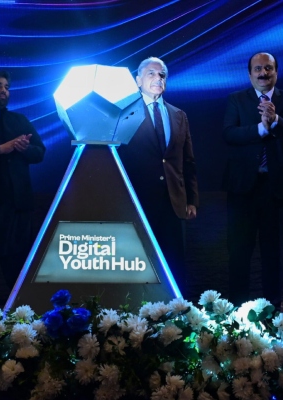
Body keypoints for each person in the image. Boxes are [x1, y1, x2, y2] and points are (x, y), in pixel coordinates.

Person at [222, 52, 283, 309]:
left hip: (276, 189)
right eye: (257, 69)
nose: (263, 73)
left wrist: (276, 120)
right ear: (249, 74)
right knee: (239, 252)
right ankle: (236, 311)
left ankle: (271, 311)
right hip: (243, 189)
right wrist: (261, 128)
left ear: (276, 72)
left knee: (273, 253)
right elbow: (229, 134)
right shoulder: (236, 99)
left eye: (268, 68)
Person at [118, 56, 199, 295]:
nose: (158, 78)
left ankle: (177, 308)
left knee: (174, 262)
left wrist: (192, 199)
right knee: (139, 260)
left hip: (173, 201)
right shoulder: (125, 114)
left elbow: (187, 161)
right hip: (138, 200)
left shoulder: (178, 115)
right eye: (151, 74)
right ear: (138, 80)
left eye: (162, 74)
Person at [0, 71, 46, 292]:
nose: (3, 91)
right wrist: (2, 149)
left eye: (6, 87)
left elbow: (40, 153)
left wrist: (24, 148)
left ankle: (18, 306)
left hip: (19, 204)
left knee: (18, 263)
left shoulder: (20, 120)